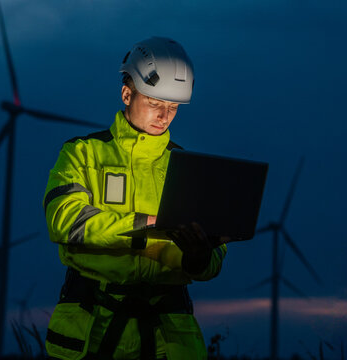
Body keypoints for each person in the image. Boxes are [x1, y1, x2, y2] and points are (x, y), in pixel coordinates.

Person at [43, 37, 228, 360]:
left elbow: (210, 265)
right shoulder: (82, 153)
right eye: (156, 103)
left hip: (166, 339)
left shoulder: (188, 169)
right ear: (127, 93)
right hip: (93, 331)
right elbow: (66, 221)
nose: (165, 116)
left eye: (173, 108)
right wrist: (146, 227)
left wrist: (199, 256)